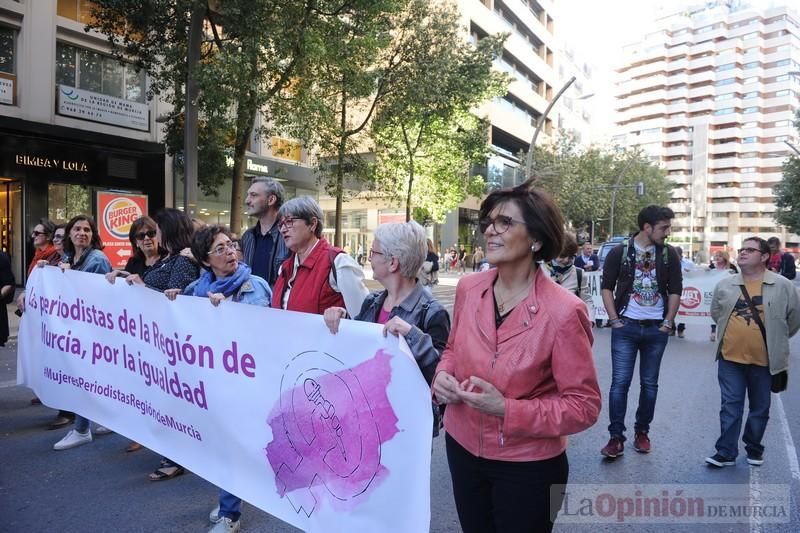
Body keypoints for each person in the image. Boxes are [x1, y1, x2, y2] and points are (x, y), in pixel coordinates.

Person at [432, 183, 600, 533]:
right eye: (489, 221)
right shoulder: (468, 288)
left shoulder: (565, 312)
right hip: (461, 448)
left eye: (505, 222)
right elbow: (451, 350)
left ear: (536, 239)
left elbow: (583, 406)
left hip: (528, 466)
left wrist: (507, 409)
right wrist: (442, 377)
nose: (490, 229)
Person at [165, 224, 271, 533]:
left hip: (245, 386)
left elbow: (263, 335)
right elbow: (183, 322)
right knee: (221, 447)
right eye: (220, 249)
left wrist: (229, 313)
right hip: (212, 386)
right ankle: (232, 498)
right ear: (205, 259)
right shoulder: (197, 290)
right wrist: (173, 298)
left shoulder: (255, 286)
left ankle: (230, 514)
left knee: (231, 447)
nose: (231, 253)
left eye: (232, 245)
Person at [324, 221, 450, 435]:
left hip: (405, 430)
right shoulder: (372, 302)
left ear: (392, 263)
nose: (369, 258)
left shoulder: (433, 312)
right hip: (365, 418)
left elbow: (441, 379)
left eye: (374, 252)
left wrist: (411, 336)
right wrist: (342, 322)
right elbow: (357, 353)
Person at [705, 237, 800, 468]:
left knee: (760, 408)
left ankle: (754, 447)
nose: (743, 253)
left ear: (765, 256)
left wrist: (776, 339)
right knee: (730, 405)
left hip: (765, 360)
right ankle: (725, 452)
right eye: (742, 249)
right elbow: (716, 311)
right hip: (730, 358)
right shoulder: (726, 284)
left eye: (750, 249)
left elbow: (794, 319)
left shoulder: (782, 285)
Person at [600, 205, 682, 458]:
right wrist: (614, 320)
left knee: (649, 385)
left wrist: (668, 322)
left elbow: (676, 290)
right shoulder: (619, 252)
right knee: (619, 384)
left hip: (656, 329)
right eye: (663, 227)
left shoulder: (668, 254)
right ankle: (616, 438)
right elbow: (606, 288)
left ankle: (642, 432)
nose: (667, 232)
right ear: (647, 227)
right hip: (626, 327)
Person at [124, 208, 200, 481]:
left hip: (174, 345)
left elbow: (174, 304)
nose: (153, 235)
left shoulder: (182, 260)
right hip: (160, 342)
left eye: (156, 230)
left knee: (174, 402)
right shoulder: (168, 259)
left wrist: (142, 287)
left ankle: (175, 458)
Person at [105, 215, 167, 453]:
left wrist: (142, 285)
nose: (147, 239)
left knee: (158, 387)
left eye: (151, 233)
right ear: (135, 241)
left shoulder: (169, 261)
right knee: (138, 384)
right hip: (137, 334)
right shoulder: (133, 264)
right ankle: (140, 430)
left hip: (160, 336)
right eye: (140, 236)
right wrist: (117, 278)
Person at [51, 215, 113, 451]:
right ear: (69, 233)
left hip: (93, 331)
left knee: (83, 378)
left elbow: (92, 297)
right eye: (77, 229)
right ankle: (109, 418)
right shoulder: (69, 257)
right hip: (78, 329)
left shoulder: (96, 259)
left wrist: (68, 278)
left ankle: (81, 429)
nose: (82, 233)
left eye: (87, 229)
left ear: (93, 235)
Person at [272, 196, 368, 318]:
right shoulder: (285, 268)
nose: (283, 229)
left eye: (289, 222)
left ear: (312, 224)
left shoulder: (338, 262)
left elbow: (364, 316)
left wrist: (343, 316)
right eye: (280, 225)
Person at [17, 219, 68, 423]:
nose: (33, 236)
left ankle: (68, 412)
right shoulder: (41, 258)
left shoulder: (56, 258)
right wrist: (26, 293)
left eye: (38, 233)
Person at [240, 177, 290, 287]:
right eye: (248, 195)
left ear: (271, 200)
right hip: (249, 303)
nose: (247, 200)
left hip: (277, 303)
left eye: (253, 195)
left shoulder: (289, 236)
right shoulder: (247, 237)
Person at [546, 232, 593, 319]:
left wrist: (589, 322)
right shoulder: (541, 271)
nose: (567, 260)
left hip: (570, 326)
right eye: (562, 256)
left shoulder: (579, 274)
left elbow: (587, 301)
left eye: (571, 256)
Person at [709, 250, 738, 342]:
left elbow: (737, 277)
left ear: (725, 258)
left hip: (728, 293)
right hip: (713, 291)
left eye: (720, 256)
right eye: (716, 256)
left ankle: (725, 331)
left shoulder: (732, 267)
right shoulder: (711, 267)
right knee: (715, 310)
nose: (717, 258)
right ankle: (713, 331)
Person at [674, 246, 696, 339]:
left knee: (683, 308)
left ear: (681, 255)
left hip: (686, 289)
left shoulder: (689, 263)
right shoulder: (670, 262)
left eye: (676, 255)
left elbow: (696, 276)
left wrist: (689, 273)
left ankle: (681, 329)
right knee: (672, 307)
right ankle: (672, 327)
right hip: (673, 288)